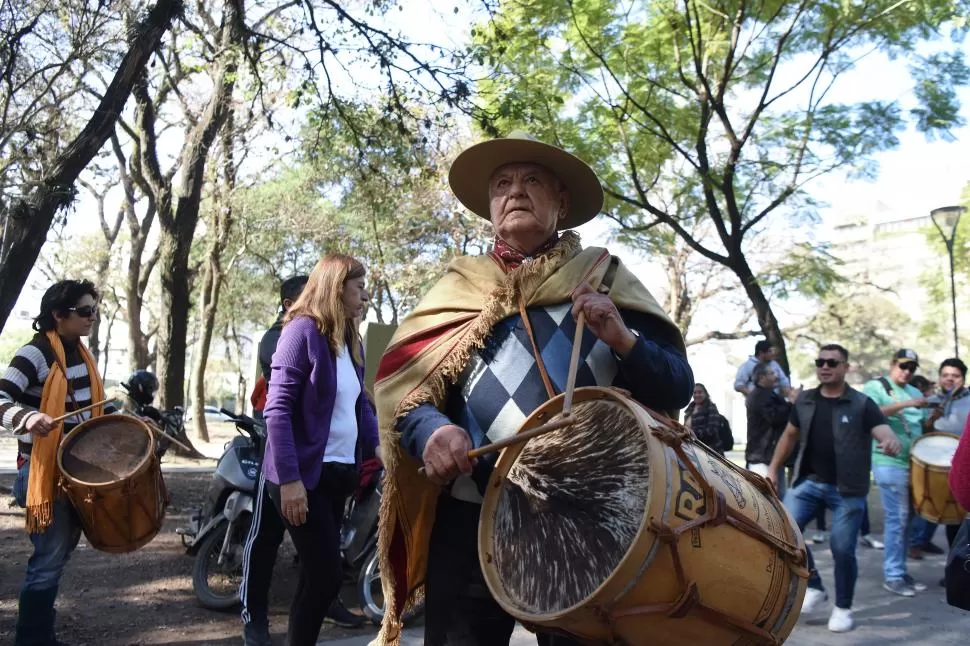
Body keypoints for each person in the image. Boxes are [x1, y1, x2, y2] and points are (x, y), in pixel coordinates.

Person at [372, 132, 693, 646]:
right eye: (502, 184)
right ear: (490, 206)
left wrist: (623, 339)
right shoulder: (457, 291)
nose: (515, 191)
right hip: (473, 519)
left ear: (561, 201)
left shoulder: (605, 280)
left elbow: (676, 388)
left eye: (532, 181)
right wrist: (432, 431)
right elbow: (405, 396)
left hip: (593, 523)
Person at [257, 254, 380, 646]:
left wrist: (379, 447)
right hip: (302, 478)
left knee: (315, 577)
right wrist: (290, 480)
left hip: (338, 475)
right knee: (327, 577)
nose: (364, 295)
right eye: (358, 287)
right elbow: (276, 410)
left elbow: (361, 404)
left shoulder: (349, 338)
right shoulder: (301, 331)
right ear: (336, 287)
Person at [1, 279, 116, 646]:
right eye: (85, 311)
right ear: (58, 314)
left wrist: (131, 421)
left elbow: (93, 409)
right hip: (42, 472)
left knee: (57, 558)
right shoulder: (34, 353)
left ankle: (40, 636)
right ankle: (31, 640)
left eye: (94, 311)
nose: (92, 317)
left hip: (75, 474)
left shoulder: (82, 354)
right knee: (48, 561)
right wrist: (28, 417)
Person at [766, 344, 900, 633]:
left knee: (842, 550)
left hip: (847, 490)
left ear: (845, 368)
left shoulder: (862, 403)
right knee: (783, 532)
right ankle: (814, 585)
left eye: (832, 362)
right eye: (821, 362)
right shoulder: (805, 401)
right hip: (808, 482)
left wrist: (890, 441)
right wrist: (773, 469)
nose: (825, 366)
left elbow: (883, 431)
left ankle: (843, 607)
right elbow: (789, 435)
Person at [862, 349, 929, 596]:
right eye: (903, 366)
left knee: (908, 518)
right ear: (892, 364)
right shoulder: (876, 386)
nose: (907, 371)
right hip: (888, 461)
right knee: (897, 517)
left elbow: (920, 425)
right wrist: (907, 403)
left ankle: (900, 571)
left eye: (912, 368)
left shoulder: (916, 392)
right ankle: (893, 575)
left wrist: (933, 415)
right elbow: (869, 413)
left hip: (915, 463)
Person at [911, 358, 969, 557]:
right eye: (945, 375)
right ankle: (919, 542)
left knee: (958, 514)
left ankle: (957, 557)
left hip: (962, 463)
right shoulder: (930, 401)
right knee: (931, 503)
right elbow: (923, 432)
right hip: (935, 462)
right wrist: (931, 419)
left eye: (955, 376)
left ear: (963, 378)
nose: (949, 379)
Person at [746, 361, 791, 497]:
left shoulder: (767, 394)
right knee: (768, 498)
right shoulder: (760, 396)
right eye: (771, 373)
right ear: (762, 377)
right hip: (762, 457)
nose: (776, 376)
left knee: (777, 497)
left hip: (770, 454)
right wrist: (791, 403)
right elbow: (774, 416)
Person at [684, 383, 732, 455]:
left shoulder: (711, 407)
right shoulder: (689, 409)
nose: (697, 395)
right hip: (694, 450)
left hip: (711, 450)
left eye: (700, 392)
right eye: (694, 392)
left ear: (705, 394)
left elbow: (712, 430)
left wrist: (692, 434)